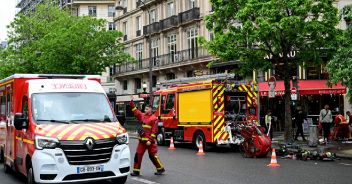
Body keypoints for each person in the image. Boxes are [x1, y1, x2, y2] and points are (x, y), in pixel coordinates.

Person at [130, 96, 165, 176]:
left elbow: (154, 131)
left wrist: (150, 140)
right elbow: (135, 111)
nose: (145, 110)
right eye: (145, 109)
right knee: (138, 155)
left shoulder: (154, 119)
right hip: (142, 141)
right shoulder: (141, 115)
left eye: (146, 109)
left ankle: (160, 169)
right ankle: (136, 171)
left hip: (150, 142)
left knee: (152, 156)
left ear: (150, 110)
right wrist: (131, 101)